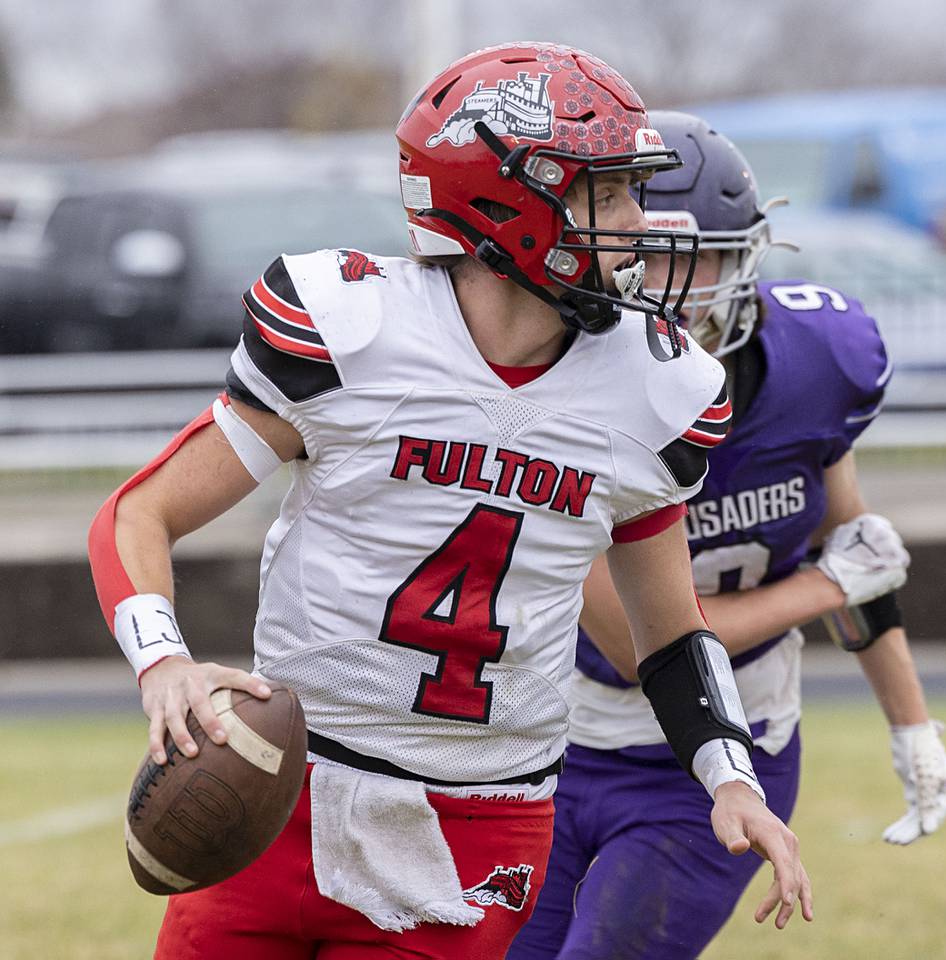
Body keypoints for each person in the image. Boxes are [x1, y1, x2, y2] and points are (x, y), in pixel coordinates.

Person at [86, 46, 811, 960]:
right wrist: (164, 665)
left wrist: (730, 777)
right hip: (281, 788)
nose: (639, 219)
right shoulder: (352, 328)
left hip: (474, 825)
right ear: (506, 202)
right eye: (609, 191)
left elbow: (667, 635)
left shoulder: (656, 389)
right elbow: (139, 513)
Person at [509, 111, 946, 960]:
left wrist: (913, 727)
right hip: (551, 748)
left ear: (747, 258)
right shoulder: (569, 389)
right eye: (644, 266)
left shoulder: (818, 368)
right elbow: (637, 638)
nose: (669, 298)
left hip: (720, 764)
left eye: (696, 264)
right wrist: (823, 588)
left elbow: (853, 545)